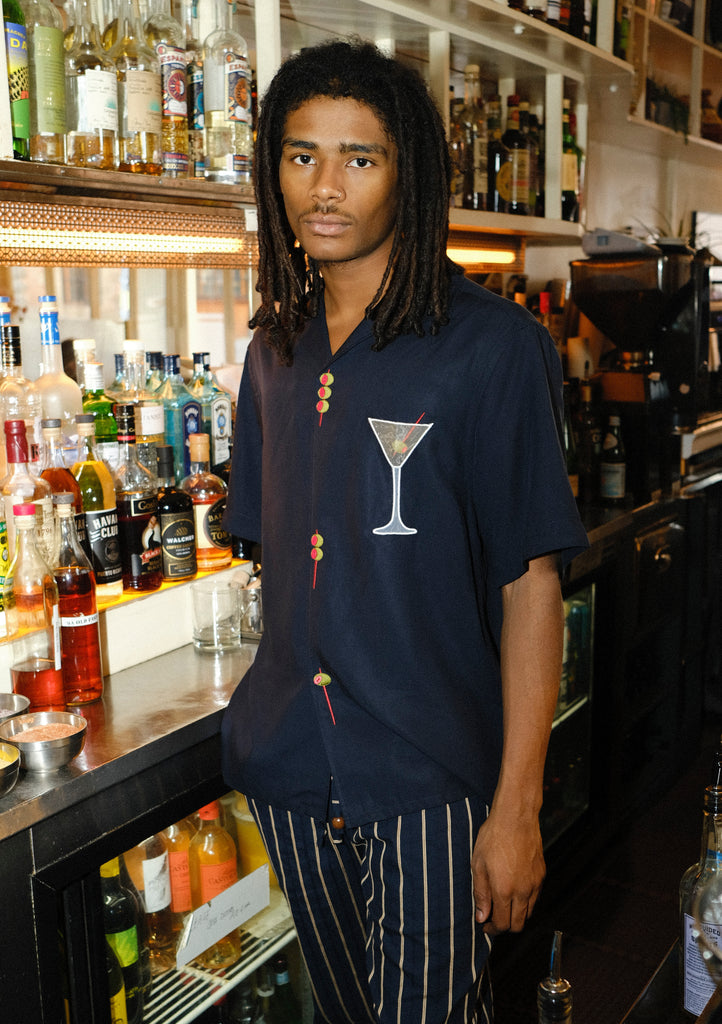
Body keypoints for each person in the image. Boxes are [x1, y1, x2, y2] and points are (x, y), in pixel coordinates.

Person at [222, 38, 588, 1024]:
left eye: (359, 157)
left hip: (428, 777)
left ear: (406, 173)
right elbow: (277, 565)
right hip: (291, 768)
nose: (325, 186)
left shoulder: (492, 348)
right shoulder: (272, 352)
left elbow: (529, 585)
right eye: (301, 156)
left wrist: (515, 803)